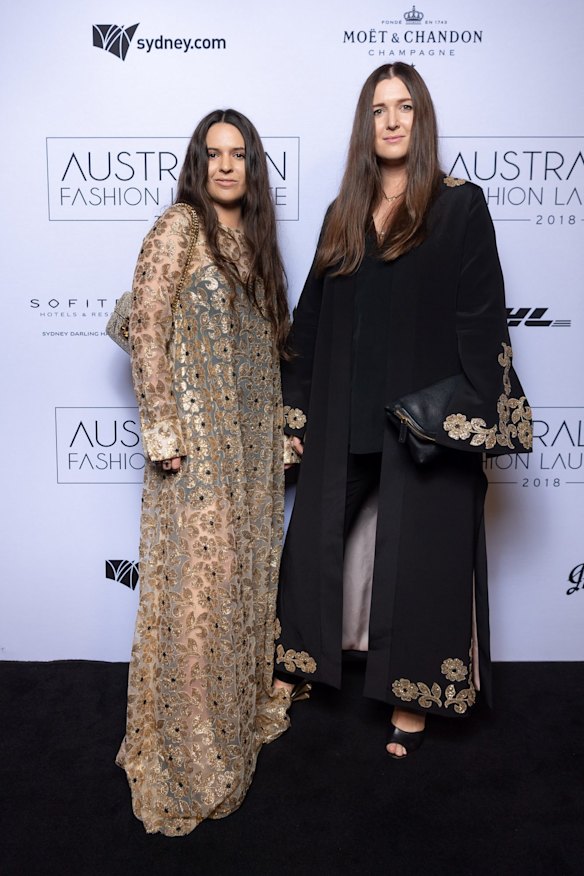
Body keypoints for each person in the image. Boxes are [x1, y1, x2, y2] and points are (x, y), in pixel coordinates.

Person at [273, 63, 532, 758]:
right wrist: (294, 419)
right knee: (315, 547)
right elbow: (309, 324)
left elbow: (482, 319)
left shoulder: (458, 205)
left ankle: (408, 695)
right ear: (367, 123)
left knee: (417, 561)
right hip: (345, 420)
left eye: (405, 107)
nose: (391, 120)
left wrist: (471, 411)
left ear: (422, 120)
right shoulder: (343, 213)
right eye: (379, 109)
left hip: (421, 426)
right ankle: (300, 668)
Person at [116, 109, 292, 834]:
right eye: (213, 154)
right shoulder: (178, 227)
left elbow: (260, 360)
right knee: (198, 600)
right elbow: (145, 326)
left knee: (241, 590)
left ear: (252, 167)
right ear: (198, 163)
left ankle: (231, 725)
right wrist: (162, 428)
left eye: (239, 154)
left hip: (247, 456)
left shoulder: (255, 246)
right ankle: (191, 756)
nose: (225, 166)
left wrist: (278, 437)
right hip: (193, 451)